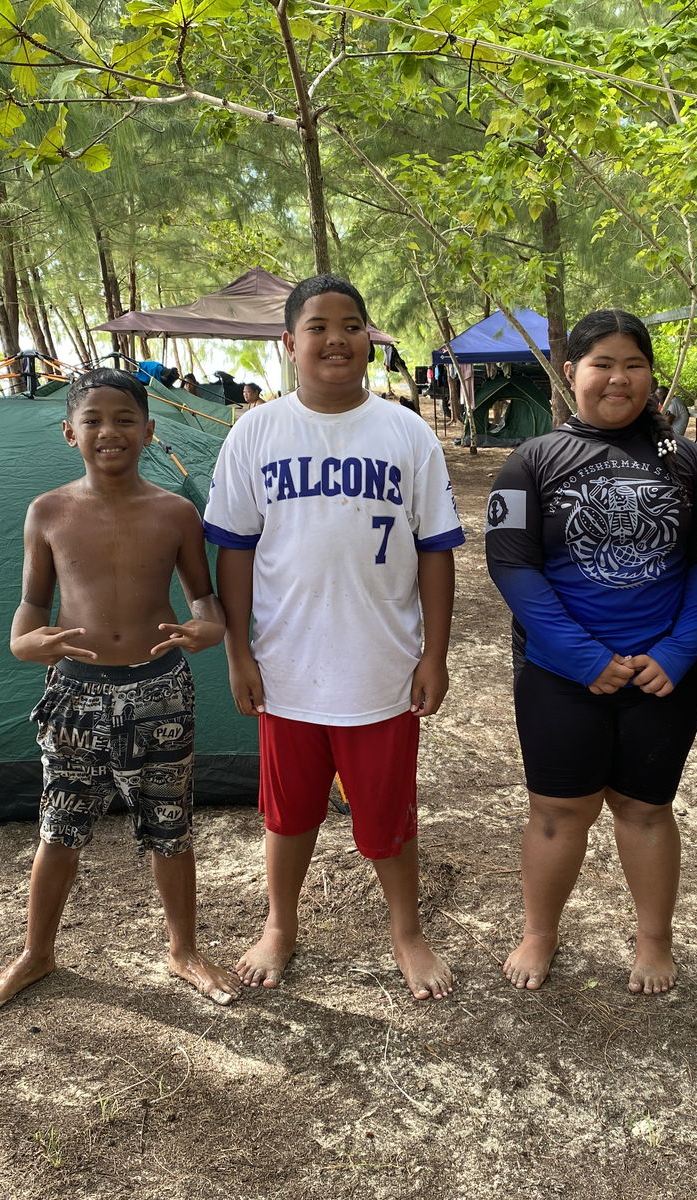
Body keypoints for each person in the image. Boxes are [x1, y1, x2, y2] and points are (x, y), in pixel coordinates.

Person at [204, 274, 463, 1001]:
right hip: (287, 669)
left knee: (387, 818)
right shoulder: (256, 432)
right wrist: (240, 652)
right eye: (317, 325)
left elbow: (436, 550)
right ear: (289, 343)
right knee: (288, 815)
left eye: (351, 324)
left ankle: (406, 932)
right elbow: (235, 549)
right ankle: (280, 924)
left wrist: (434, 655)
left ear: (369, 341)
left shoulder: (405, 432)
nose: (335, 338)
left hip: (381, 669)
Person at [0, 368, 242, 1015]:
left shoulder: (176, 512)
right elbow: (29, 613)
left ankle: (183, 949)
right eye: (92, 420)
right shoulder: (48, 512)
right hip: (75, 699)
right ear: (69, 433)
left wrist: (206, 629)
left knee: (171, 830)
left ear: (149, 430)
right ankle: (36, 954)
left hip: (161, 695)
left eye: (124, 419)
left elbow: (206, 602)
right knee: (59, 830)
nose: (109, 432)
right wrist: (31, 644)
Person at [485, 310, 697, 995]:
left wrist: (678, 650)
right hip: (560, 674)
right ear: (571, 374)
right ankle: (540, 933)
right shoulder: (530, 462)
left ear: (651, 376)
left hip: (661, 676)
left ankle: (654, 940)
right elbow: (512, 567)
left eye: (634, 365)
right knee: (558, 813)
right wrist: (582, 656)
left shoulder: (687, 462)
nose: (619, 379)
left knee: (645, 810)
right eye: (602, 365)